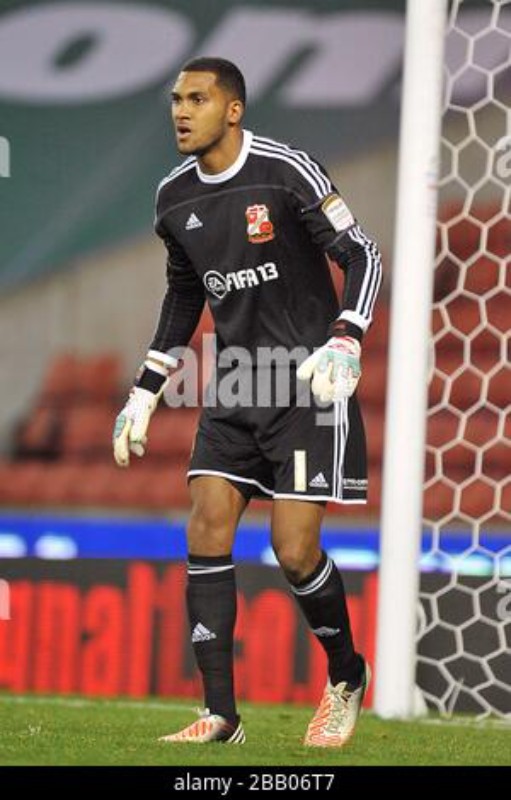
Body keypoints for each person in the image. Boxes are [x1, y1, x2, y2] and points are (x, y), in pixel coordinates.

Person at [113, 57, 382, 747]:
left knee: (293, 550)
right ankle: (220, 715)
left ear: (232, 109)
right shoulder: (172, 198)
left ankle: (346, 674)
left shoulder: (286, 171)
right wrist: (146, 388)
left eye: (197, 99)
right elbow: (184, 294)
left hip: (308, 382)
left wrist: (347, 336)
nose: (181, 111)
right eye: (176, 99)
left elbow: (362, 254)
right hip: (236, 383)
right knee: (205, 526)